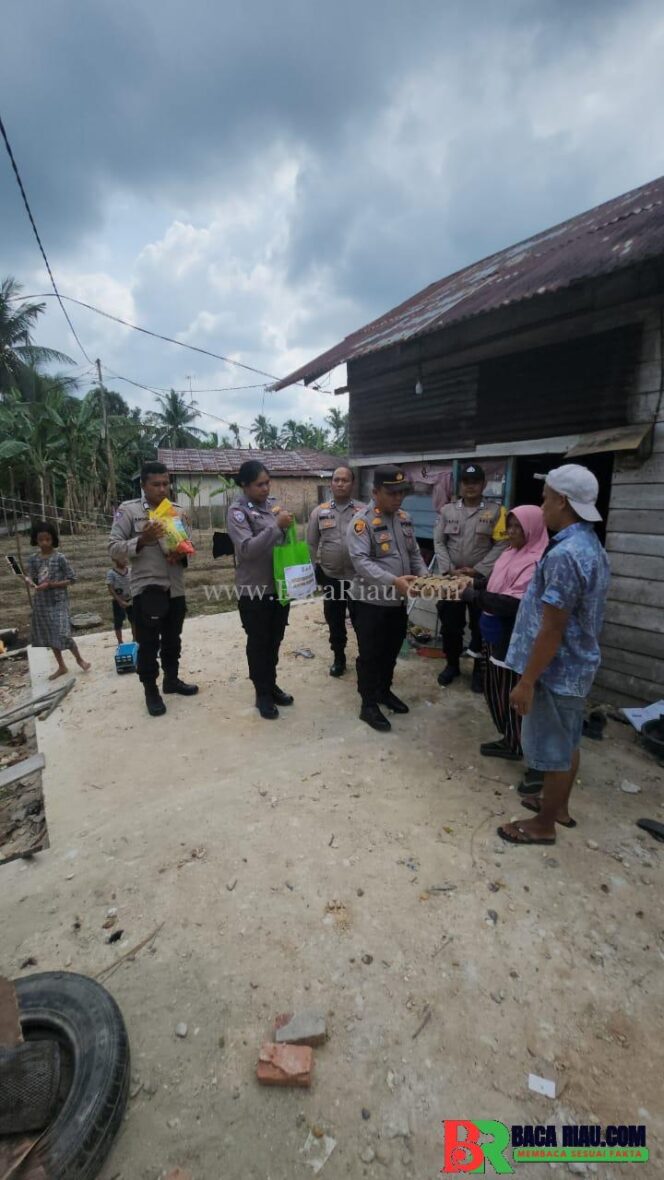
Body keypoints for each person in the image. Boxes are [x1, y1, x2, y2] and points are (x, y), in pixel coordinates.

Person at [497, 464, 610, 846]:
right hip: (574, 666)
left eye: (546, 498)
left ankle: (543, 825)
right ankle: (557, 807)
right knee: (568, 740)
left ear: (562, 501)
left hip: (557, 670)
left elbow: (552, 627)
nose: (541, 505)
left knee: (554, 748)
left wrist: (527, 681)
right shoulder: (587, 543)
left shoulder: (566, 555)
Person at [109, 461, 198, 717]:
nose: (162, 489)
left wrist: (180, 555)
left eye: (166, 483)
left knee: (173, 639)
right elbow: (113, 548)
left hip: (176, 588)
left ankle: (172, 680)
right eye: (156, 484)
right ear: (143, 485)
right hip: (147, 588)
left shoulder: (178, 512)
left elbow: (188, 546)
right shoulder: (129, 511)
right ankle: (151, 691)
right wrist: (142, 540)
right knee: (148, 644)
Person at [461, 505, 548, 762]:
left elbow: (513, 603)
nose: (511, 532)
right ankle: (509, 738)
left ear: (532, 529)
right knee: (494, 687)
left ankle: (521, 746)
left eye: (517, 527)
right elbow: (494, 583)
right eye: (508, 526)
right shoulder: (511, 552)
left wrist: (474, 595)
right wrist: (475, 584)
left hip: (513, 636)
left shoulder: (536, 560)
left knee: (510, 691)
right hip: (493, 631)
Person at [347, 464, 427, 732]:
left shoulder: (404, 518)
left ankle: (384, 692)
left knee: (391, 651)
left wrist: (425, 577)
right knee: (370, 655)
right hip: (369, 603)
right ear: (375, 491)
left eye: (401, 492)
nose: (398, 498)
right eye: (391, 493)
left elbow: (414, 553)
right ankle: (368, 705)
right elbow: (361, 562)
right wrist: (394, 581)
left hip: (397, 602)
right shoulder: (362, 522)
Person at [226, 460, 295, 720]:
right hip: (254, 591)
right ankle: (261, 693)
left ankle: (271, 684)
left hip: (278, 586)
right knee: (259, 643)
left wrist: (284, 527)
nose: (265, 488)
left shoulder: (272, 506)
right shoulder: (237, 512)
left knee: (275, 640)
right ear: (245, 485)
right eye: (259, 484)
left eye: (267, 483)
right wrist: (277, 526)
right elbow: (247, 549)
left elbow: (282, 540)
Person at [434, 463, 507, 692]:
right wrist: (449, 569)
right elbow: (439, 542)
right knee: (450, 625)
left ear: (483, 484)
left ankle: (478, 671)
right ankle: (452, 665)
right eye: (466, 482)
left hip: (481, 581)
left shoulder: (497, 511)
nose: (471, 486)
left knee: (481, 627)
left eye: (475, 482)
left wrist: (478, 570)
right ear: (460, 485)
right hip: (451, 578)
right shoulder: (447, 511)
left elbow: (502, 544)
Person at [306, 466, 365, 677]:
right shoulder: (319, 512)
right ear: (331, 483)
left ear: (353, 484)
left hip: (359, 578)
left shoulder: (364, 511)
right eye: (336, 480)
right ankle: (339, 658)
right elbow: (311, 545)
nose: (340, 484)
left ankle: (365, 660)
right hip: (331, 577)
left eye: (345, 480)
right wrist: (310, 571)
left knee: (362, 621)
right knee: (335, 620)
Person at [25, 521, 91, 680]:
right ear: (36, 540)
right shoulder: (33, 559)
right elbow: (32, 578)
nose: (44, 543)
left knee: (62, 633)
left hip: (58, 602)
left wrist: (51, 584)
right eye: (41, 540)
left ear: (53, 539)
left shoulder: (60, 558)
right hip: (41, 603)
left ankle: (79, 659)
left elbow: (72, 579)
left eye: (47, 539)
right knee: (50, 634)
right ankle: (61, 666)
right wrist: (29, 581)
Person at [106, 556, 135, 645]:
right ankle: (120, 641)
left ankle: (135, 639)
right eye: (122, 558)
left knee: (134, 621)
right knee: (118, 622)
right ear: (115, 559)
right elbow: (110, 588)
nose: (125, 559)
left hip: (131, 600)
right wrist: (119, 601)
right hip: (118, 601)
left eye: (126, 557)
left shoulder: (130, 571)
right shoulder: (111, 573)